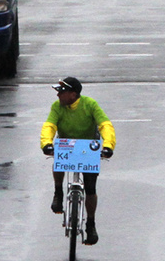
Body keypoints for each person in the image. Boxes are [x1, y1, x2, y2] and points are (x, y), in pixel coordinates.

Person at [40, 76, 115, 247]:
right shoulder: (57, 107)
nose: (58, 95)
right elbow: (49, 126)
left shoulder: (90, 104)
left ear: (73, 95)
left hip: (88, 145)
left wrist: (108, 146)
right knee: (58, 158)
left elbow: (105, 125)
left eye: (62, 92)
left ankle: (90, 223)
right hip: (66, 144)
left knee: (90, 188)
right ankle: (58, 192)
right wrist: (46, 143)